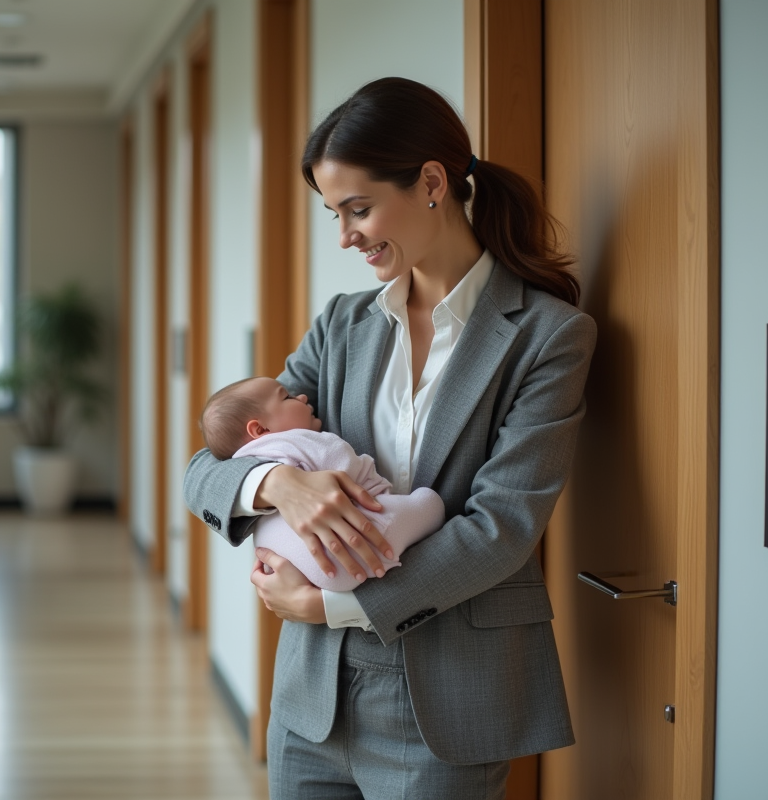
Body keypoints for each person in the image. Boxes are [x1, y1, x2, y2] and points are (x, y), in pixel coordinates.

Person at [183, 77, 596, 799]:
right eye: (332, 215)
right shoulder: (342, 325)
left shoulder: (547, 338)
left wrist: (331, 606)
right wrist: (278, 483)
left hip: (447, 699)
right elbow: (206, 467)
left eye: (359, 209)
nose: (344, 237)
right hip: (312, 699)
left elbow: (504, 526)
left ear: (433, 182)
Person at [199, 375, 446, 592]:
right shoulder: (303, 441)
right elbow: (347, 469)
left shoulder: (242, 457)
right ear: (260, 428)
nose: (303, 396)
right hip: (343, 555)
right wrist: (378, 486)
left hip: (286, 564)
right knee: (429, 504)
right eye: (287, 397)